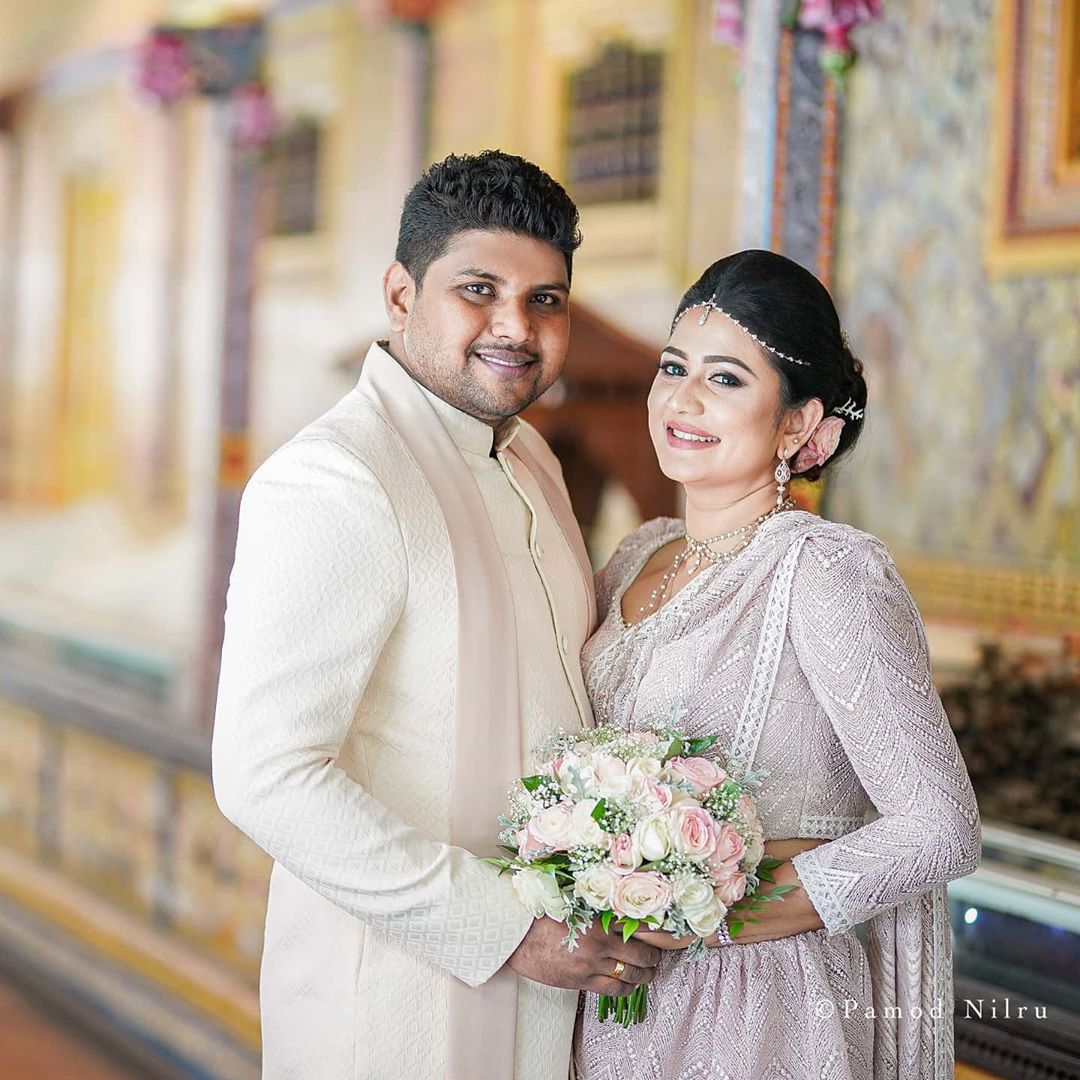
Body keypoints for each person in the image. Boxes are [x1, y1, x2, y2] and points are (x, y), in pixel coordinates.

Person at [212, 150, 660, 1080]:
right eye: (478, 290)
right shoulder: (336, 476)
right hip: (393, 1004)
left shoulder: (532, 460)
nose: (517, 327)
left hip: (549, 993)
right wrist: (508, 929)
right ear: (401, 294)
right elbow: (265, 774)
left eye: (545, 300)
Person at [574, 250, 981, 1080]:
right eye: (673, 367)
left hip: (756, 1009)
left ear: (797, 425)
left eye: (724, 379)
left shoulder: (825, 572)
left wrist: (703, 908)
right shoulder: (638, 555)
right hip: (616, 997)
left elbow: (940, 827)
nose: (682, 399)